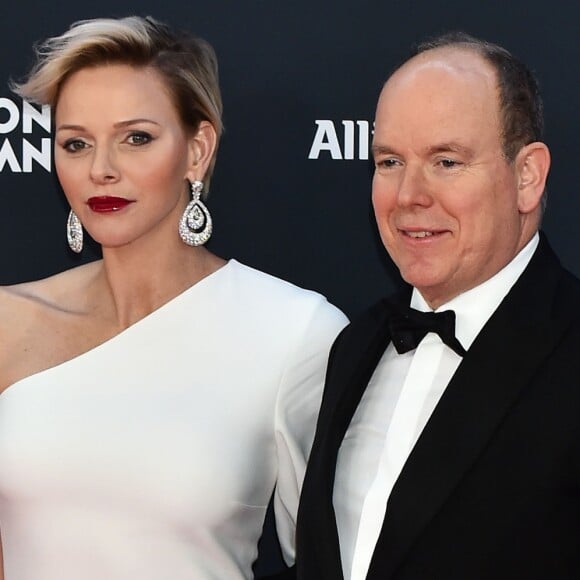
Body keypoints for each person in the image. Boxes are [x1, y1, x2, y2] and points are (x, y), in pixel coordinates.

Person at [0, 16, 347, 580]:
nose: (101, 169)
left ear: (197, 150)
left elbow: (334, 555)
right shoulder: (8, 320)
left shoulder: (294, 332)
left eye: (136, 137)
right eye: (76, 143)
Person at [284, 32, 580, 579]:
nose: (408, 195)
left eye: (446, 161)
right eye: (390, 160)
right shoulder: (356, 345)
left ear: (527, 176)